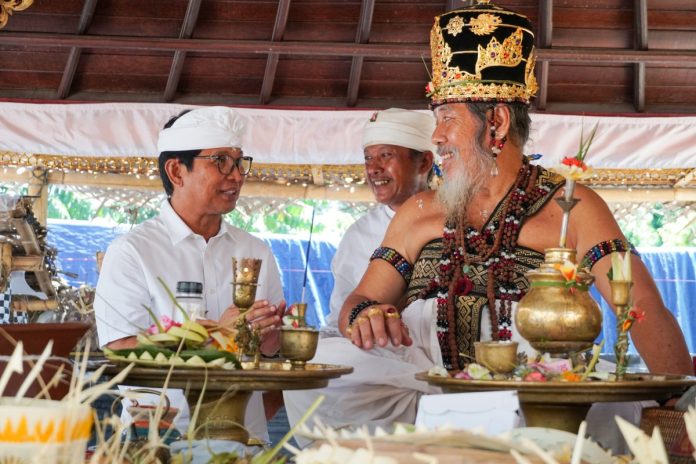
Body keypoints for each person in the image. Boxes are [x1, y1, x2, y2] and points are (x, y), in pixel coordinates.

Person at [292, 1, 693, 452]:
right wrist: (364, 316)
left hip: (540, 401)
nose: (437, 137)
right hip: (427, 395)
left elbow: (640, 308)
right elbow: (361, 299)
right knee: (321, 368)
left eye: (447, 117)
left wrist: (684, 403)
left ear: (496, 121)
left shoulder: (572, 208)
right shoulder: (419, 211)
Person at [94, 106, 286, 443]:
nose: (238, 175)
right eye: (221, 161)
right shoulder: (133, 252)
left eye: (240, 162)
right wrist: (217, 335)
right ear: (176, 171)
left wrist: (271, 343)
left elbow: (272, 361)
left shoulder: (256, 252)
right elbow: (121, 353)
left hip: (244, 441)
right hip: (157, 444)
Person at [322, 108, 435, 335]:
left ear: (424, 162)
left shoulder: (454, 223)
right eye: (368, 158)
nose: (373, 168)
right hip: (377, 354)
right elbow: (339, 323)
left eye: (386, 155)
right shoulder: (358, 235)